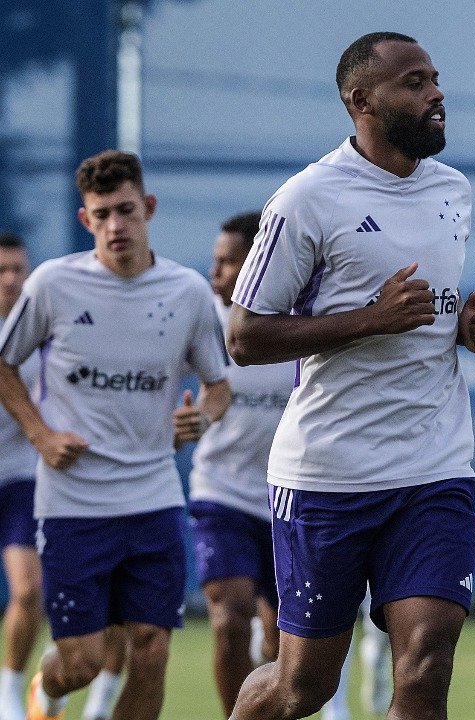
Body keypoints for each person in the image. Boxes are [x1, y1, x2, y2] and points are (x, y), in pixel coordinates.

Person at [224, 31, 475, 720]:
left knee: (428, 656)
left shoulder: (453, 192)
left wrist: (468, 331)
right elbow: (244, 336)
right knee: (303, 688)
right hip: (329, 477)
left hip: (433, 468)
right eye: (414, 82)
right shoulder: (308, 199)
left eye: (435, 78)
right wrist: (369, 319)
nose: (435, 93)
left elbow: (430, 315)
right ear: (362, 101)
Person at [0, 149, 231, 720]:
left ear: (148, 208)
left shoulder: (187, 293)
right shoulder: (55, 284)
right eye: (101, 214)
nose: (115, 225)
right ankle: (42, 690)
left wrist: (200, 418)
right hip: (73, 505)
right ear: (85, 221)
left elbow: (219, 387)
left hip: (153, 498)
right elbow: (4, 365)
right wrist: (40, 435)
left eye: (125, 210)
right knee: (82, 661)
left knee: (150, 648)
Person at [184, 211, 292, 718]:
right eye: (215, 261)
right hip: (220, 493)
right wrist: (178, 422)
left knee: (283, 647)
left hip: (289, 499)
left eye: (229, 262)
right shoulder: (199, 319)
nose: (216, 272)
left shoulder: (298, 325)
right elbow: (160, 389)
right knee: (229, 619)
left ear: (259, 268)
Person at [0, 233, 40, 720]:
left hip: (19, 476)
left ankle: (9, 688)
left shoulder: (39, 334)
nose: (10, 279)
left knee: (29, 590)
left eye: (17, 270)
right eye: (1, 271)